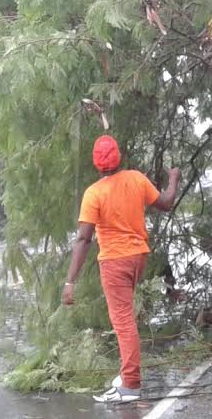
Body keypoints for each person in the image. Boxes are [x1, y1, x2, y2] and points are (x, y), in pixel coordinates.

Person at [61, 135, 181, 403]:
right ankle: (127, 375)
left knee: (123, 322)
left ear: (96, 163)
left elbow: (83, 239)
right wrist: (173, 178)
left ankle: (130, 386)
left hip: (115, 261)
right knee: (125, 318)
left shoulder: (94, 193)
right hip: (138, 257)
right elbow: (166, 203)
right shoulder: (136, 178)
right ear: (119, 157)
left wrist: (70, 282)